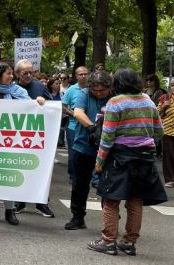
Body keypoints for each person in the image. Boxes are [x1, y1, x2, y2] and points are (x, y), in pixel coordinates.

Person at [87, 69, 167, 256]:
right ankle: (129, 242)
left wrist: (99, 162)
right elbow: (159, 132)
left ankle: (108, 242)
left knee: (111, 200)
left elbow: (107, 138)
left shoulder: (115, 102)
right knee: (135, 201)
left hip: (119, 158)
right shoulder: (148, 101)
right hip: (145, 158)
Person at [0, 61, 45, 226]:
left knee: (10, 174)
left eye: (12, 73)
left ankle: (10, 210)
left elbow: (30, 108)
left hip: (14, 142)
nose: (12, 76)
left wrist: (38, 102)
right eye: (8, 73)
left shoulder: (19, 92)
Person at [63, 70, 112, 230]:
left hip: (108, 149)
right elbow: (78, 112)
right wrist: (92, 128)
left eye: (102, 90)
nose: (98, 93)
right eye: (95, 90)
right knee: (79, 184)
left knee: (108, 185)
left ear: (109, 88)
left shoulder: (114, 97)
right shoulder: (84, 94)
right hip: (83, 146)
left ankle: (111, 219)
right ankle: (77, 217)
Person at [13, 59, 55, 218]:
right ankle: (19, 202)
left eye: (32, 72)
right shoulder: (11, 88)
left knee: (41, 168)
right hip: (17, 136)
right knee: (20, 167)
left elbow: (53, 106)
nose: (29, 75)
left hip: (38, 135)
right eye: (25, 73)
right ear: (17, 74)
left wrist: (45, 102)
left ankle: (41, 203)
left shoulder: (39, 86)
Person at [62, 67, 90, 182]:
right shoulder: (71, 90)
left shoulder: (93, 88)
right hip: (73, 127)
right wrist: (74, 114)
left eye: (86, 74)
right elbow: (63, 106)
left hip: (89, 126)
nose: (83, 76)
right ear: (76, 76)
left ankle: (86, 175)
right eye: (81, 74)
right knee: (74, 153)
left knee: (87, 152)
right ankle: (73, 175)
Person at [158, 81, 174, 187]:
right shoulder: (165, 98)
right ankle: (169, 179)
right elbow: (156, 112)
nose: (173, 87)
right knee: (168, 155)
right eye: (172, 85)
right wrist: (164, 106)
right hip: (168, 130)